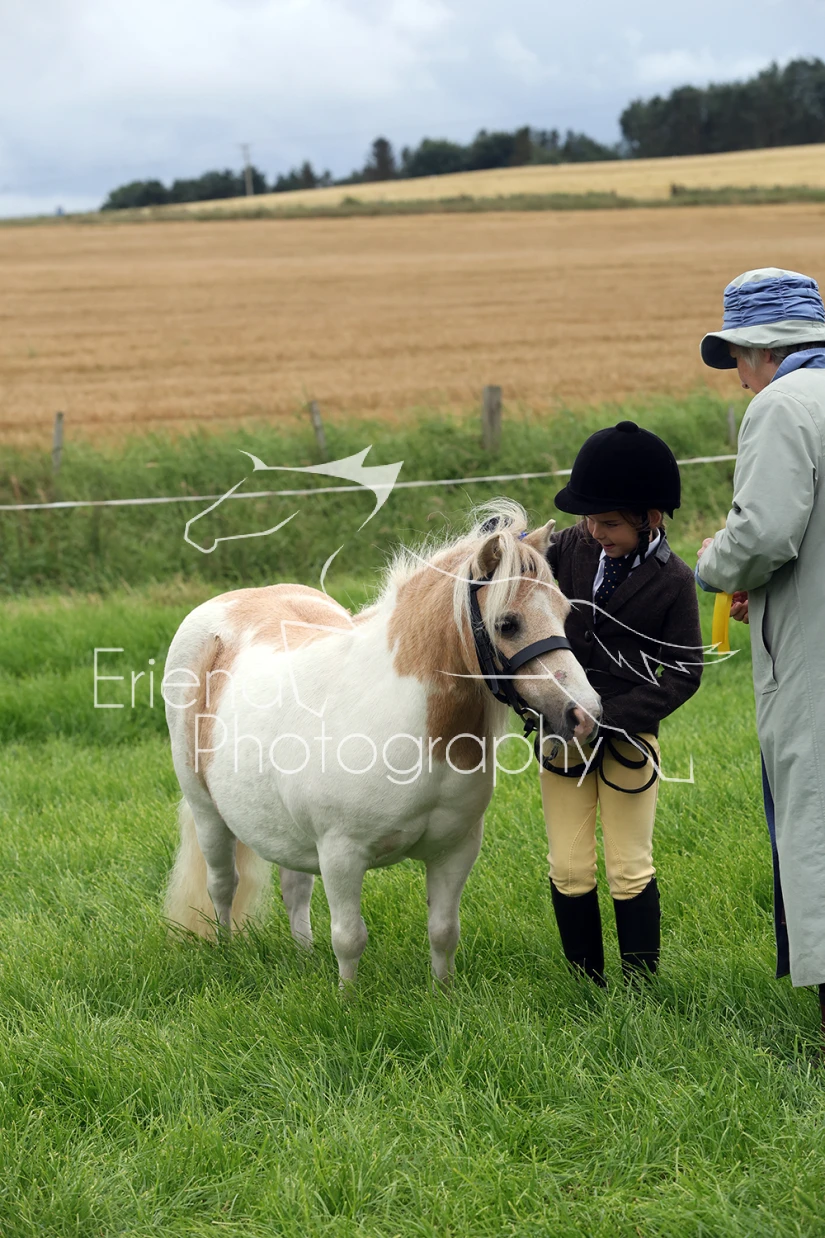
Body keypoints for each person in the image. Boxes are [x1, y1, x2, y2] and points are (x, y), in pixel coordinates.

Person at [696, 266, 825, 1046]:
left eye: (737, 359)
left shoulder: (782, 405)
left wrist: (717, 563)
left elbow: (765, 532)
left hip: (814, 665)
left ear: (761, 349)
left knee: (815, 821)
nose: (739, 379)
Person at [542, 421, 703, 985]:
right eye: (591, 519)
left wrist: (608, 717)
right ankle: (586, 986)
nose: (595, 531)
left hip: (630, 735)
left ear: (650, 517)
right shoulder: (569, 547)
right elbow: (522, 569)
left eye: (609, 523)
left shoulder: (675, 580)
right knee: (568, 866)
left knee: (629, 866)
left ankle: (641, 989)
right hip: (561, 734)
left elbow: (685, 672)